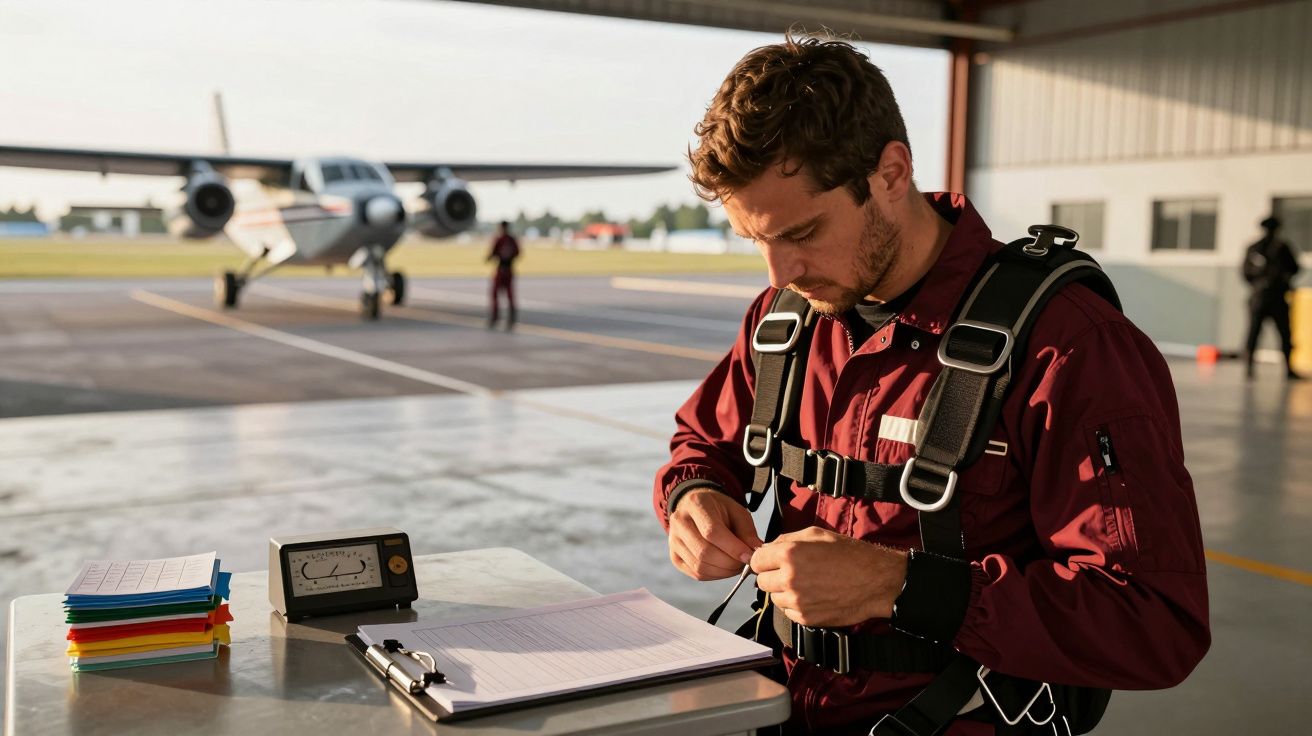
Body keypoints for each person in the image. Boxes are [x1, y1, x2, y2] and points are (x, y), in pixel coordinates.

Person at [653, 34, 1209, 735]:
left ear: (891, 171)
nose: (778, 273)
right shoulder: (786, 322)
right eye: (753, 239)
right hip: (783, 710)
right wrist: (694, 494)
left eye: (803, 231)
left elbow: (1154, 622)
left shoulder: (1067, 346)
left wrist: (901, 588)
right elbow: (701, 441)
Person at [1242, 215, 1302, 380]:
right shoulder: (1255, 249)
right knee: (1254, 333)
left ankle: (1288, 368)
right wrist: (1260, 277)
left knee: (1284, 334)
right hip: (1260, 297)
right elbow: (1245, 272)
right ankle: (1249, 368)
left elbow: (1295, 268)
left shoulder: (1282, 248)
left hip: (1277, 297)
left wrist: (1280, 276)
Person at [486, 220, 520, 330]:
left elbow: (493, 253)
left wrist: (490, 258)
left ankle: (495, 318)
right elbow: (517, 253)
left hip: (501, 270)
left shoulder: (500, 239)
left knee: (496, 294)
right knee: (509, 295)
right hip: (509, 269)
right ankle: (511, 318)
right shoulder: (511, 240)